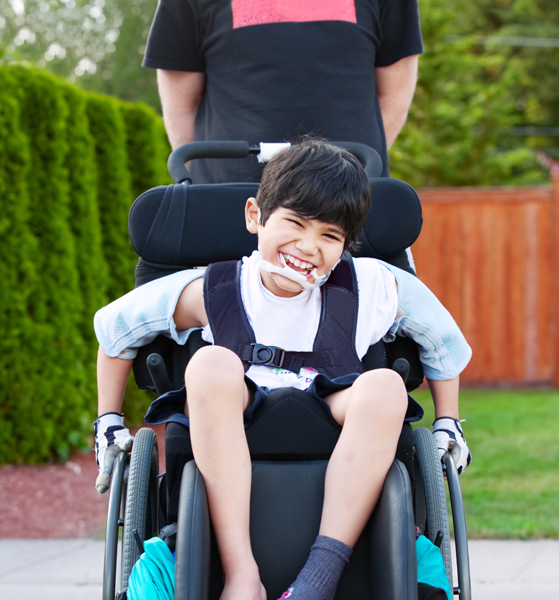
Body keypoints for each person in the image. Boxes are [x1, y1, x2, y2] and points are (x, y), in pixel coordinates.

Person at [94, 141, 471, 600]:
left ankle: (317, 581)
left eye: (330, 236)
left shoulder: (372, 285)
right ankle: (241, 574)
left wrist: (448, 421)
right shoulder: (215, 286)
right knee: (210, 363)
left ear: (346, 244)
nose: (308, 246)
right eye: (295, 223)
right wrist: (108, 421)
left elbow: (443, 342)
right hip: (237, 415)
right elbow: (115, 330)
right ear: (255, 216)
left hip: (332, 412)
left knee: (387, 386)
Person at [142, 0, 423, 183]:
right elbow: (181, 107)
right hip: (229, 206)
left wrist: (344, 175)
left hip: (352, 203)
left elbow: (394, 98)